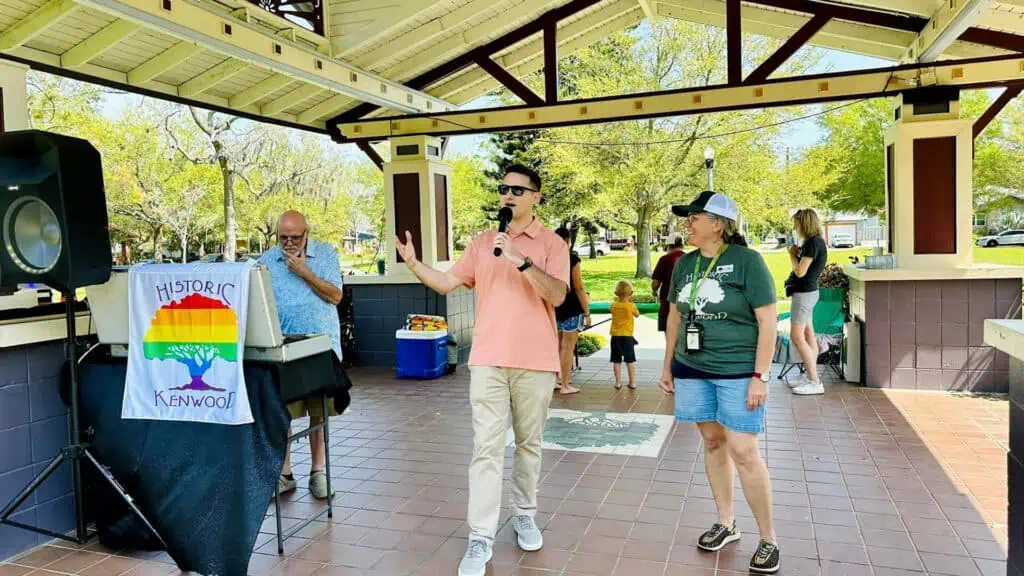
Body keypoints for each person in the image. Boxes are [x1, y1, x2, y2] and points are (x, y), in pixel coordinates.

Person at [394, 164, 569, 576]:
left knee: (529, 444)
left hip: (536, 361)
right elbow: (446, 283)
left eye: (517, 190)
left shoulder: (551, 244)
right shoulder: (481, 243)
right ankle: (480, 537)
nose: (507, 195)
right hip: (489, 359)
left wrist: (519, 259)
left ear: (535, 197)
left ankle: (524, 513)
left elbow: (558, 294)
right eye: (503, 189)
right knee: (486, 449)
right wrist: (415, 264)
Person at [659, 191, 780, 574]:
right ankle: (726, 523)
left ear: (719, 224)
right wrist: (667, 367)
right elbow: (676, 318)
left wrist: (760, 376)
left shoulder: (748, 262)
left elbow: (767, 322)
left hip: (738, 372)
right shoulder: (685, 264)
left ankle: (768, 538)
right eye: (687, 217)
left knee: (743, 451)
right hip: (692, 369)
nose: (688, 223)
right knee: (712, 443)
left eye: (695, 217)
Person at [259, 211, 343, 500]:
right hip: (284, 349)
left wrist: (304, 271)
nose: (290, 243)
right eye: (284, 238)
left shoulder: (326, 254)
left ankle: (318, 473)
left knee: (319, 410)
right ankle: (284, 474)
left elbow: (335, 296)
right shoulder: (266, 262)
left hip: (321, 348)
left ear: (307, 234)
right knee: (284, 412)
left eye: (295, 238)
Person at [784, 208, 828, 396]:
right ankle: (810, 376)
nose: (795, 227)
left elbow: (800, 271)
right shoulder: (817, 242)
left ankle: (814, 381)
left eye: (796, 223)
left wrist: (792, 255)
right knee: (809, 335)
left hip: (804, 294)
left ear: (804, 223)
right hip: (809, 292)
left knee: (797, 336)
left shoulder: (812, 243)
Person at [554, 225, 590, 395]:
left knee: (557, 346)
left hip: (553, 307)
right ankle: (565, 385)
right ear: (568, 242)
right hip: (571, 309)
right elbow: (579, 287)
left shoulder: (548, 259)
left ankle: (556, 380)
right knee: (568, 348)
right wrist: (587, 312)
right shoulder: (572, 260)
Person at [651, 235, 686, 344]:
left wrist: (654, 291)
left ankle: (672, 359)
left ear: (669, 245)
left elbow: (656, 282)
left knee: (671, 342)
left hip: (668, 304)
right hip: (687, 304)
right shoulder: (690, 258)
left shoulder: (664, 259)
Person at [609, 280, 640, 390]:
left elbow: (611, 310)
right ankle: (632, 382)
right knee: (630, 360)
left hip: (615, 336)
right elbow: (637, 315)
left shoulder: (613, 305)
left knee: (616, 360)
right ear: (631, 293)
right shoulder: (631, 306)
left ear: (616, 293)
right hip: (627, 336)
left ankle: (618, 383)